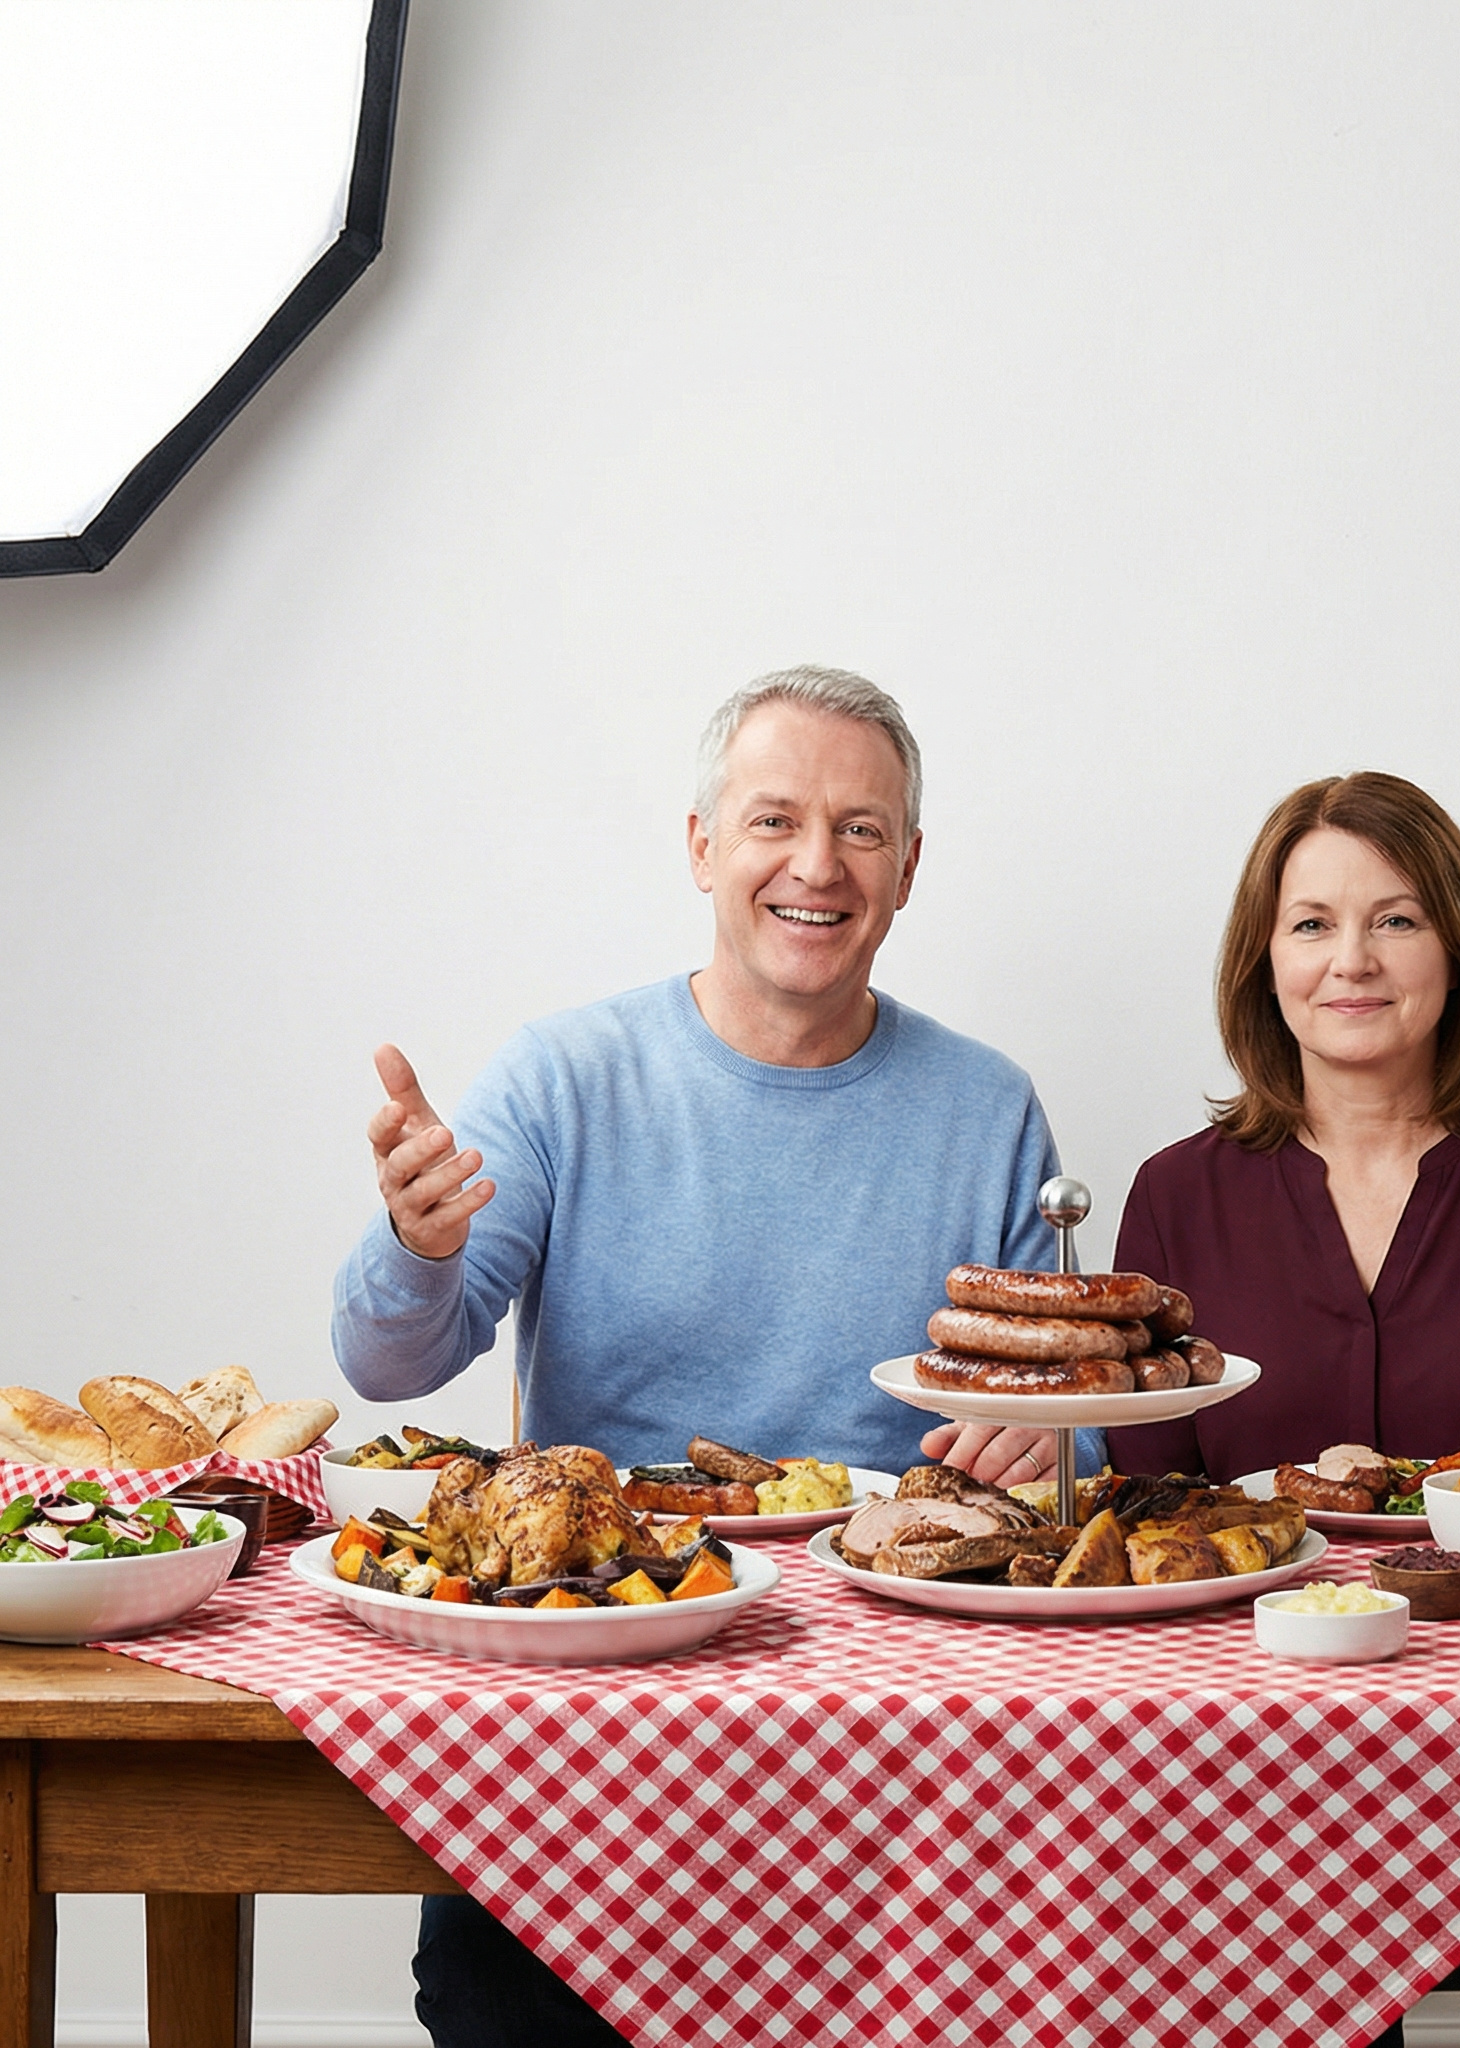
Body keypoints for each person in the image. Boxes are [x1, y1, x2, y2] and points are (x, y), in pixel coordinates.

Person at [333, 667, 1066, 2048]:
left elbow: (1042, 1425)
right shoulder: (564, 1075)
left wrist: (1047, 1445)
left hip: (887, 1717)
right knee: (504, 2000)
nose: (817, 864)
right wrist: (417, 1247)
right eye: (775, 819)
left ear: (909, 869)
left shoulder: (988, 1107)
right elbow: (388, 1368)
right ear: (701, 848)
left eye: (862, 830)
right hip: (595, 1681)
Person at [1106, 770, 1460, 2048]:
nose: (1349, 959)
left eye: (1395, 918)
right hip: (1249, 1726)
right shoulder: (1171, 1198)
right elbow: (1150, 1506)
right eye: (1310, 922)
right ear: (1264, 959)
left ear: (1456, 947)